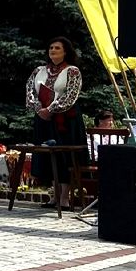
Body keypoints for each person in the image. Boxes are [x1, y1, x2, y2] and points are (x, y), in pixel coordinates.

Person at [25, 36, 87, 209]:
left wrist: (51, 110)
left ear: (65, 51)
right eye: (51, 47)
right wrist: (39, 109)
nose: (53, 50)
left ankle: (65, 198)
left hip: (65, 121)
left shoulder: (72, 71)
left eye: (57, 48)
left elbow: (71, 95)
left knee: (63, 157)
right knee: (47, 155)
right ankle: (54, 195)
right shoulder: (39, 71)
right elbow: (30, 91)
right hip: (43, 120)